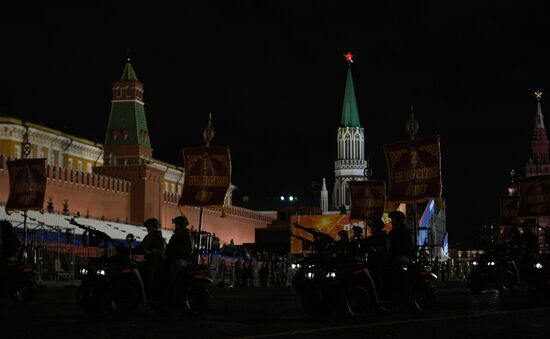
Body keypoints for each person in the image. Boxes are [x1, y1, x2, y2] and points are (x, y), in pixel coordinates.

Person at [134, 218, 166, 298]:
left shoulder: (159, 239)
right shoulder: (148, 237)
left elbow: (160, 251)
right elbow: (140, 247)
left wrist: (149, 252)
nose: (147, 228)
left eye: (149, 226)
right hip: (147, 261)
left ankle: (151, 295)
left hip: (155, 263)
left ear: (153, 227)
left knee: (149, 275)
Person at [0, 220, 22, 297]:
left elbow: (17, 246)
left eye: (2, 228)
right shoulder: (8, 236)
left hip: (9, 258)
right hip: (9, 257)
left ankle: (5, 288)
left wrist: (11, 253)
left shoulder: (9, 237)